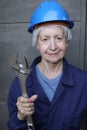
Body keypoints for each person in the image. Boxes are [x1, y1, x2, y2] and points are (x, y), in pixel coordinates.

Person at [7, 0, 87, 130]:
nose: (53, 47)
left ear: (67, 42)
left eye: (59, 38)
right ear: (37, 45)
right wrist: (21, 116)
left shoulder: (84, 82)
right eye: (45, 39)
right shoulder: (18, 85)